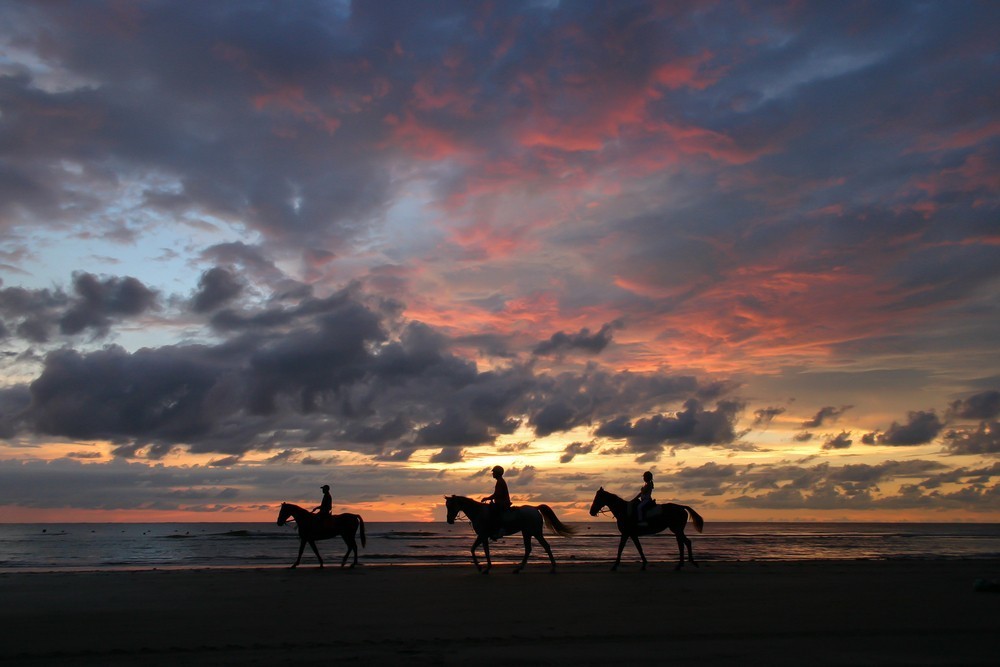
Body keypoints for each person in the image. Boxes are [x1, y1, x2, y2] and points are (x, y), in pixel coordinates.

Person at [480, 465, 511, 540]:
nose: (492, 474)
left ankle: (497, 531)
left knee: (492, 514)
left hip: (502, 504)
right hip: (500, 502)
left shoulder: (500, 482)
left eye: (494, 472)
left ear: (498, 473)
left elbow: (497, 494)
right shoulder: (500, 481)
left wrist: (486, 498)